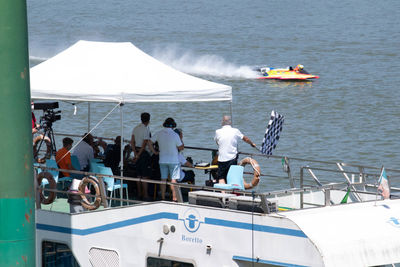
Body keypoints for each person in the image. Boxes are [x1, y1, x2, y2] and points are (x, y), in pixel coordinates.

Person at [214, 115, 256, 184]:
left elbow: (217, 142)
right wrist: (252, 143)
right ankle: (230, 191)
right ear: (230, 122)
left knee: (221, 177)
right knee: (232, 176)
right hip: (232, 158)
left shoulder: (217, 131)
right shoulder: (235, 131)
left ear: (222, 122)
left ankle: (223, 193)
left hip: (222, 158)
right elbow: (246, 139)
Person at [151, 118, 183, 201]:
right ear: (173, 126)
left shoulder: (159, 133)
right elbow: (180, 147)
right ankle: (174, 198)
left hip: (162, 159)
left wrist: (154, 151)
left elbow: (149, 142)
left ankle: (163, 198)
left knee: (163, 179)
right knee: (173, 179)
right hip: (173, 160)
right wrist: (181, 139)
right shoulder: (175, 135)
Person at [131, 112, 156, 200]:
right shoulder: (146, 129)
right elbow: (144, 143)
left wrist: (135, 153)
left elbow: (132, 141)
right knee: (145, 175)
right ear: (149, 120)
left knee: (138, 175)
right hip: (143, 153)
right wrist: (139, 155)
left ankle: (139, 193)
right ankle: (145, 195)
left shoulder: (135, 128)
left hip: (136, 151)